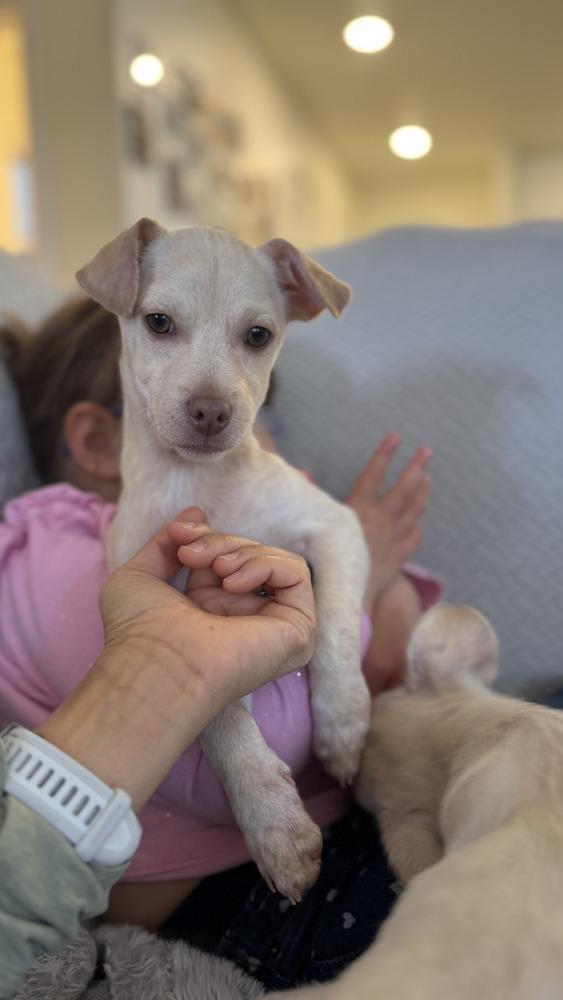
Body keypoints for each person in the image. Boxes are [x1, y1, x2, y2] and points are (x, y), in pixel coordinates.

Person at [0, 299, 440, 984]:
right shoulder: (60, 544)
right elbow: (241, 765)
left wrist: (357, 578)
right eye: (230, 428)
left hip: (319, 855)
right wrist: (365, 581)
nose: (266, 457)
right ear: (96, 443)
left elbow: (394, 671)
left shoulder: (249, 534)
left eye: (259, 417)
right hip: (233, 907)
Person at [0, 507, 317, 997]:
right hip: (236, 921)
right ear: (97, 444)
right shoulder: (58, 557)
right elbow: (253, 764)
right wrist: (367, 592)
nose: (294, 476)